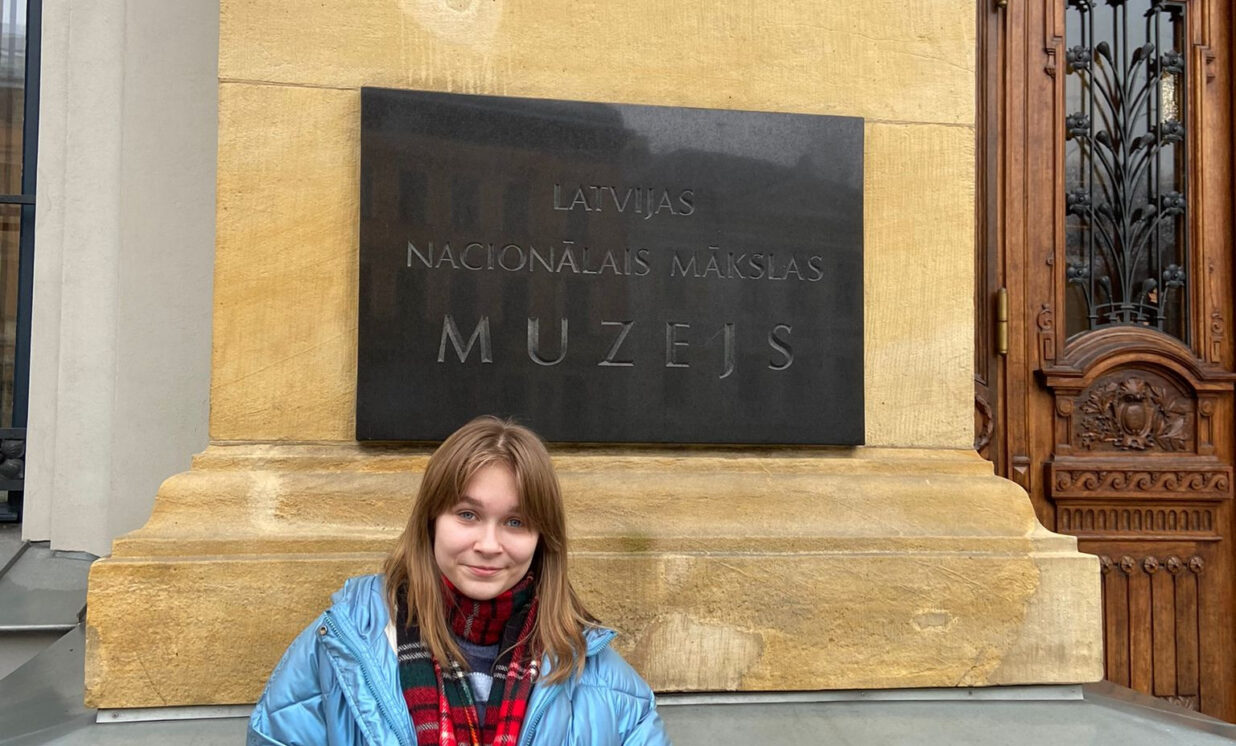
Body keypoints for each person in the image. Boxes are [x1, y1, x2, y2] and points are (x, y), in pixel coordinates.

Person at [248, 415, 670, 745]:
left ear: (542, 538)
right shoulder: (339, 647)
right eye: (468, 515)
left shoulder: (609, 685)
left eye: (515, 522)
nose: (488, 545)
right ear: (431, 520)